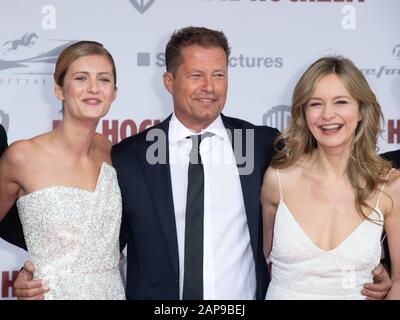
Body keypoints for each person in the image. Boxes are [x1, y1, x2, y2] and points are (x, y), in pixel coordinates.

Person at [4, 28, 392, 300]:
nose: (209, 86)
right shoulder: (130, 155)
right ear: (169, 82)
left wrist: (373, 266)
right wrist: (40, 269)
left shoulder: (262, 146)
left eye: (219, 74)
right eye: (196, 75)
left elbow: (333, 187)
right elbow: (90, 233)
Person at [262, 56, 400, 299]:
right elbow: (255, 262)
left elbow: (398, 281)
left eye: (340, 102)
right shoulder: (278, 179)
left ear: (360, 111)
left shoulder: (389, 186)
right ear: (303, 113)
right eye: (315, 104)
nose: (328, 114)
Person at [0, 41, 125, 299]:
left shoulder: (112, 153)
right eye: (81, 78)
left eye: (104, 79)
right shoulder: (22, 156)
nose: (93, 88)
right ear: (59, 90)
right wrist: (23, 283)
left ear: (114, 93)